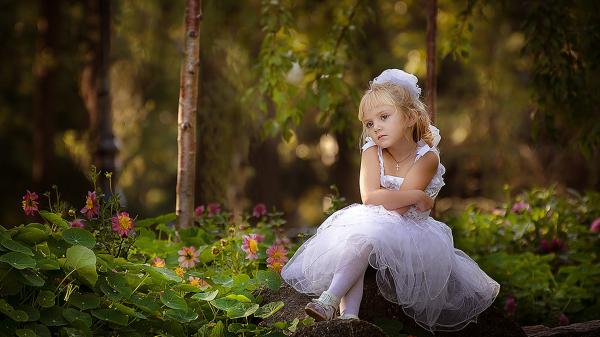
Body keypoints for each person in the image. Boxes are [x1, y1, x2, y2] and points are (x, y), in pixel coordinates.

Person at [281, 69, 500, 333]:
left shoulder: (427, 158)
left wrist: (401, 197)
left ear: (409, 117)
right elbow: (370, 197)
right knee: (360, 237)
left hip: (411, 235)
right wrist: (417, 195)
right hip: (374, 224)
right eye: (369, 123)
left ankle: (330, 300)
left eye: (384, 117)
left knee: (366, 234)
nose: (376, 128)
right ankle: (346, 317)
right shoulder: (372, 152)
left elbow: (400, 208)